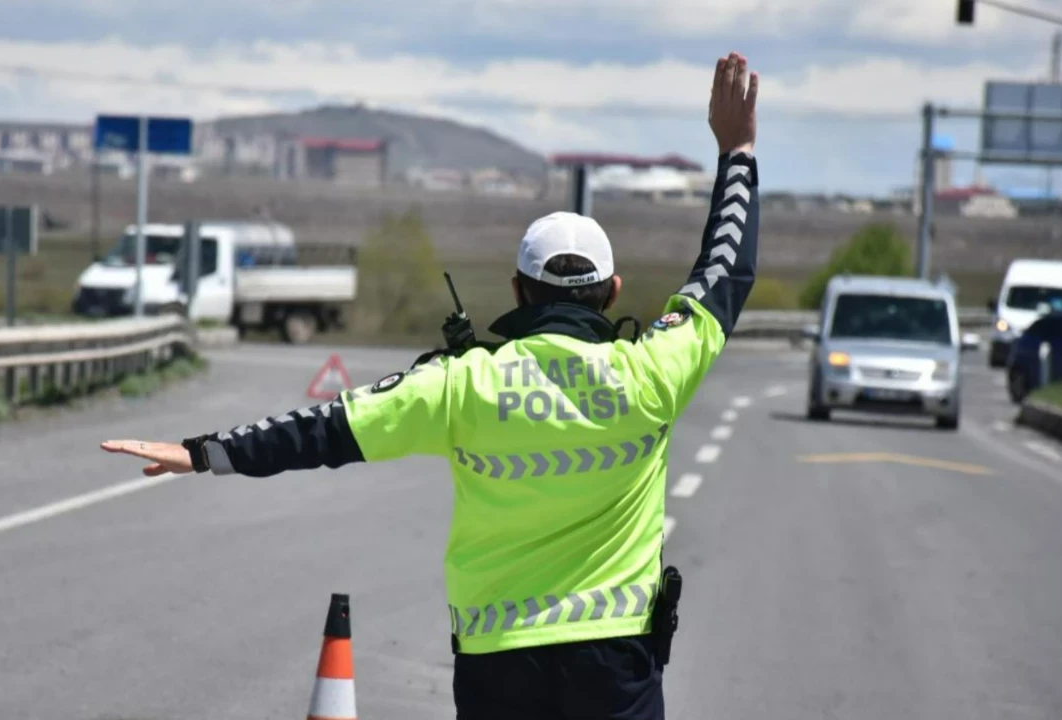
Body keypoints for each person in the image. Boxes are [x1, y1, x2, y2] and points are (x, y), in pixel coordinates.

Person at [101, 51, 760, 720]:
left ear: (516, 291)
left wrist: (204, 451)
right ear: (612, 291)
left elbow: (328, 428)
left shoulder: (462, 384)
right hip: (617, 666)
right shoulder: (652, 372)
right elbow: (725, 270)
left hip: (498, 663)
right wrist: (737, 151)